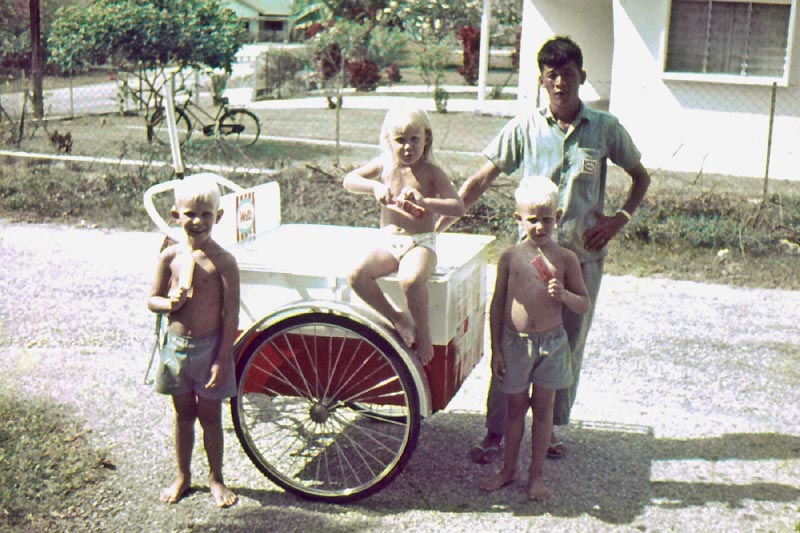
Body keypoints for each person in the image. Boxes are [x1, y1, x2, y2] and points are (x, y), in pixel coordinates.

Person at [436, 35, 651, 462]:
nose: (560, 84)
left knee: (567, 345)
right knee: (513, 341)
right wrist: (441, 220)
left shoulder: (605, 128)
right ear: (541, 80)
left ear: (581, 78)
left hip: (581, 261)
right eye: (551, 76)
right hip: (527, 265)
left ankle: (549, 431)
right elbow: (482, 178)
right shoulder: (525, 127)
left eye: (568, 75)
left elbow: (640, 177)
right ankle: (496, 432)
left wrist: (618, 220)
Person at [480, 176, 589, 500]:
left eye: (546, 219)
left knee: (544, 411)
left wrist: (564, 294)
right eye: (532, 219)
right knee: (515, 410)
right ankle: (508, 470)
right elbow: (498, 303)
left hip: (551, 344)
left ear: (557, 217)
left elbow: (584, 303)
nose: (540, 227)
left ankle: (536, 476)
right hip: (515, 344)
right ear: (519, 219)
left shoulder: (566, 259)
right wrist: (496, 349)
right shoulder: (511, 257)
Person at [345, 105, 466, 364]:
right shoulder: (385, 167)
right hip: (390, 243)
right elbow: (349, 180)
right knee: (357, 275)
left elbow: (458, 207)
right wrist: (374, 187)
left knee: (410, 280)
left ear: (427, 139)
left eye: (415, 140)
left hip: (421, 244)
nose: (408, 147)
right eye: (400, 140)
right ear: (389, 141)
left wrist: (427, 203)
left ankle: (424, 334)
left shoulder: (431, 172)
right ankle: (397, 317)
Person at [147, 173, 240, 508]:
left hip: (209, 349)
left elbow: (231, 315)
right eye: (190, 214)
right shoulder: (170, 257)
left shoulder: (224, 262)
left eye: (206, 215)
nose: (197, 221)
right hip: (176, 350)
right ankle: (183, 476)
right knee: (182, 414)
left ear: (218, 217)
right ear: (176, 215)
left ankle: (216, 477)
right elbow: (152, 300)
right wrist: (170, 304)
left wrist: (221, 358)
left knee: (211, 417)